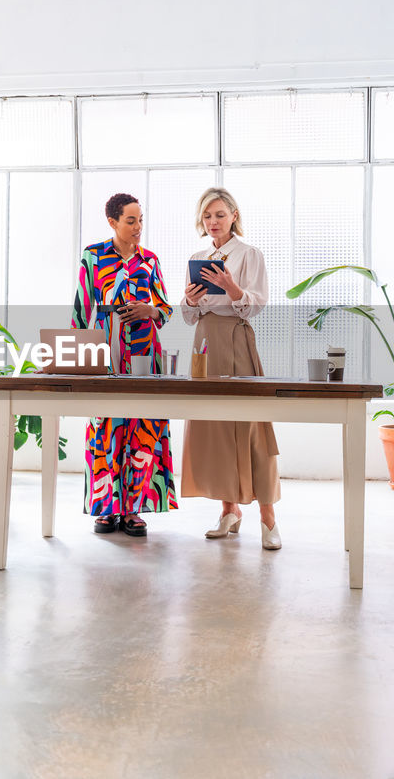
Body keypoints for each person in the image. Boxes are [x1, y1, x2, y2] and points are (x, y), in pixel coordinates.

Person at [179, 187, 283, 550]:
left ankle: (268, 518)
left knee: (250, 424)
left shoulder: (249, 254)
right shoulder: (198, 256)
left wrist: (232, 288)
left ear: (234, 216)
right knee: (214, 426)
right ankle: (229, 510)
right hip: (205, 342)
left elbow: (256, 304)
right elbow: (190, 315)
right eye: (207, 216)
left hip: (237, 340)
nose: (213, 222)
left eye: (220, 215)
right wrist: (189, 301)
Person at [71, 192, 175, 537]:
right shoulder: (93, 256)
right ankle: (105, 508)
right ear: (113, 222)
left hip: (145, 354)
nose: (138, 227)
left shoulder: (150, 261)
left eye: (141, 220)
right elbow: (81, 309)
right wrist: (74, 357)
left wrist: (151, 310)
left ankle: (133, 509)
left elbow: (166, 308)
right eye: (131, 220)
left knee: (143, 426)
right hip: (106, 353)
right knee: (104, 425)